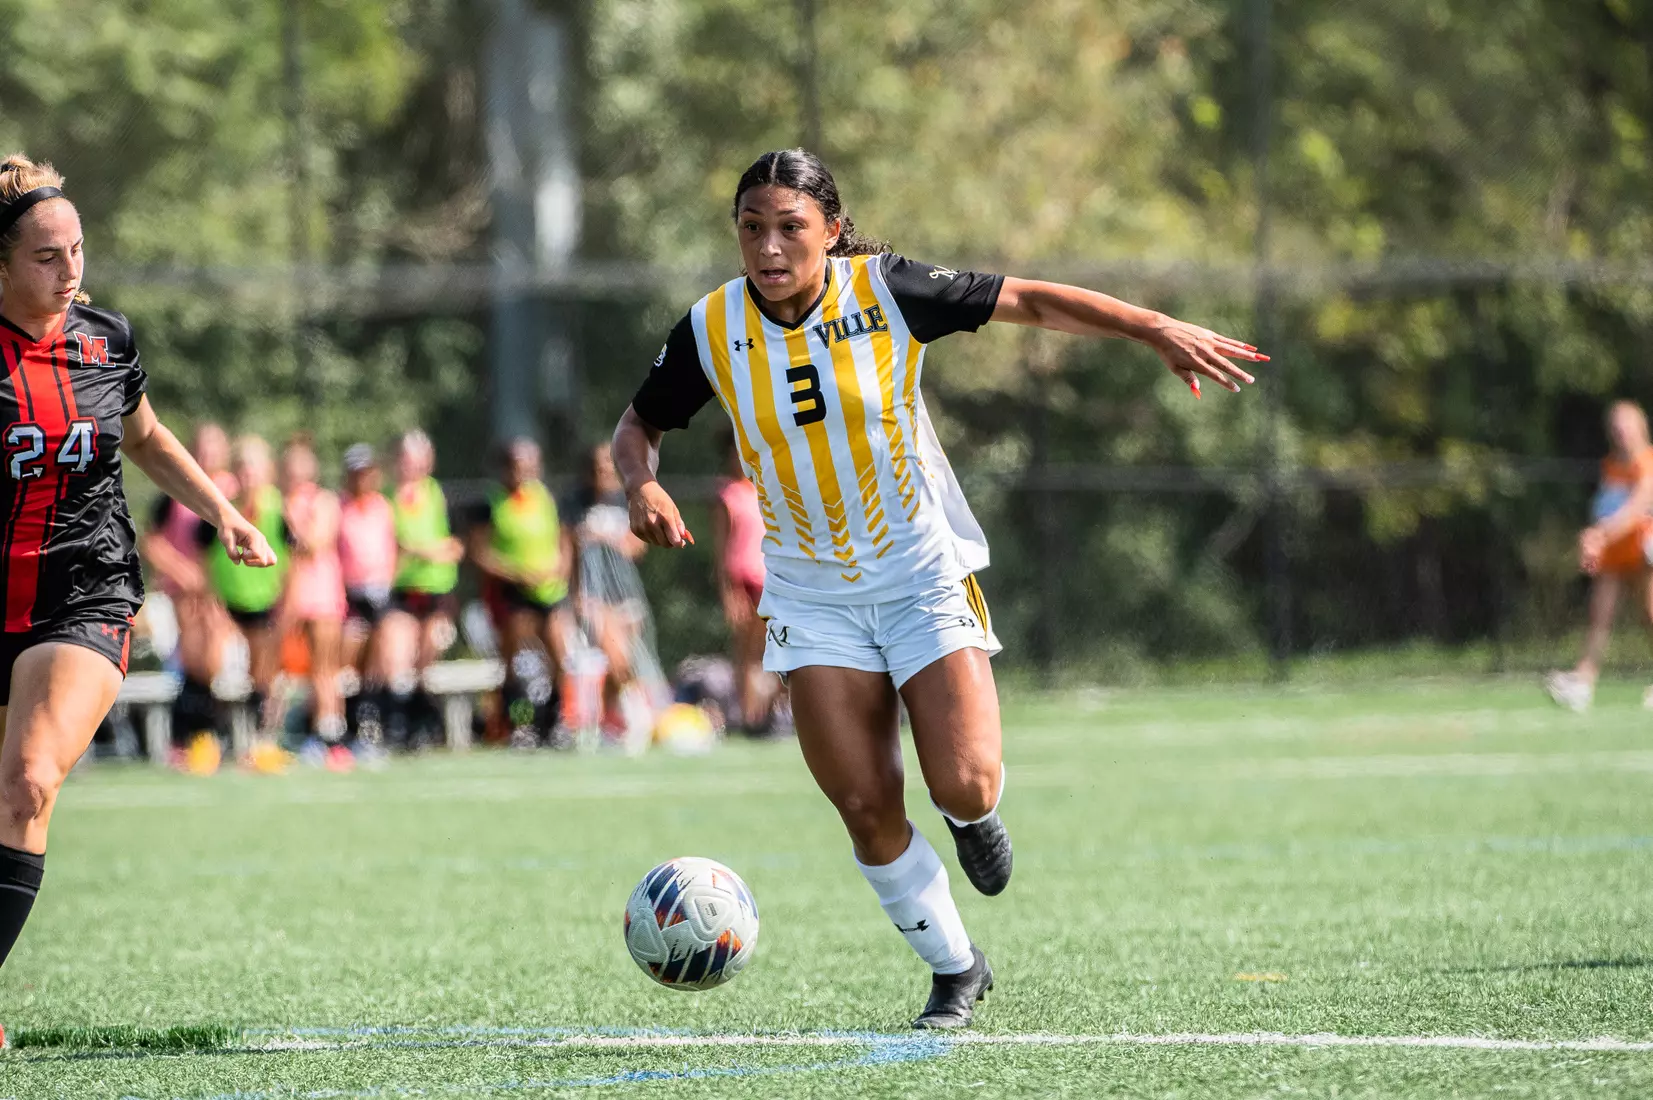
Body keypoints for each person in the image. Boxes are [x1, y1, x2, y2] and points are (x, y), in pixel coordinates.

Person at [612, 148, 1264, 1028]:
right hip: (811, 596)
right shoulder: (711, 325)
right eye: (751, 229)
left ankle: (971, 817)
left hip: (920, 575)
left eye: (788, 228)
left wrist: (1149, 326)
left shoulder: (887, 291)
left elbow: (1027, 298)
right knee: (863, 803)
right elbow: (639, 425)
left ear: (831, 232)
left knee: (960, 782)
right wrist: (640, 484)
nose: (767, 248)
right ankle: (956, 969)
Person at [0, 152, 276, 976]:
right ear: (3, 263)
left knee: (29, 782)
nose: (69, 269)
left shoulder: (107, 340)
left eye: (77, 249)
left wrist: (223, 512)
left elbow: (147, 439)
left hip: (85, 594)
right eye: (46, 256)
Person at [1546, 400, 1653, 710]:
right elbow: (1607, 506)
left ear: (1640, 427)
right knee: (1600, 615)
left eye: (1627, 426)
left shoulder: (1646, 463)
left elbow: (1636, 510)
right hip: (1615, 551)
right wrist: (1595, 538)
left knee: (1649, 615)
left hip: (1641, 549)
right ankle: (1584, 680)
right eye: (1616, 427)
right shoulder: (1611, 465)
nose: (1621, 433)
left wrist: (1599, 536)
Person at [468, 437, 574, 744]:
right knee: (516, 660)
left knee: (559, 655)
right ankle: (517, 722)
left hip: (550, 592)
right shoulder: (490, 503)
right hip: (512, 595)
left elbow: (564, 540)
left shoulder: (546, 498)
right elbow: (479, 552)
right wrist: (517, 574)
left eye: (529, 465)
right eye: (517, 465)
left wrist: (559, 569)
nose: (523, 472)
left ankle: (555, 721)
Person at [141, 423, 238, 743]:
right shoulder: (176, 490)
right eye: (201, 446)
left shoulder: (234, 491)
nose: (206, 453)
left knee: (210, 638)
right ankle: (197, 723)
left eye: (212, 446)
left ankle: (207, 720)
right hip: (181, 595)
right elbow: (151, 541)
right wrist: (182, 572)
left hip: (224, 595)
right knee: (191, 640)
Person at [564, 442, 659, 739]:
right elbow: (567, 552)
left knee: (628, 662)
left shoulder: (625, 500)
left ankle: (609, 724)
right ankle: (633, 720)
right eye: (596, 467)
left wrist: (609, 538)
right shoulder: (574, 504)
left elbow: (638, 547)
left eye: (607, 465)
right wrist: (576, 594)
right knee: (616, 658)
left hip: (625, 593)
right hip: (594, 595)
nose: (602, 472)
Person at [199, 435, 287, 740]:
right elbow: (204, 558)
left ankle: (264, 736)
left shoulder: (279, 509)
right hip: (228, 607)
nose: (247, 474)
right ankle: (216, 731)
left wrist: (286, 607)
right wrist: (212, 604)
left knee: (266, 671)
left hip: (266, 606)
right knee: (214, 661)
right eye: (242, 467)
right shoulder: (221, 509)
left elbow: (297, 562)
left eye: (253, 467)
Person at [383, 430, 462, 747]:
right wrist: (423, 550)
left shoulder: (437, 494)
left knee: (430, 647)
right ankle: (399, 721)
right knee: (397, 657)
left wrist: (420, 549)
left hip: (437, 592)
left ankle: (421, 720)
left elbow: (455, 546)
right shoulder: (387, 497)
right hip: (401, 592)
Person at [280, 434, 348, 756]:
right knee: (296, 672)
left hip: (322, 596)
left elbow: (316, 542)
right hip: (292, 598)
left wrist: (293, 521)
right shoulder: (283, 502)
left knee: (325, 669)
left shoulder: (323, 501)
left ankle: (331, 734)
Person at [710, 428, 782, 733]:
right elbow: (720, 547)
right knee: (748, 652)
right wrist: (728, 591)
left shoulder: (766, 490)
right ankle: (749, 716)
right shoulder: (727, 494)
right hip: (743, 580)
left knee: (775, 650)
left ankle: (769, 713)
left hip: (771, 578)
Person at [337, 443, 398, 744]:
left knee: (382, 656)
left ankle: (378, 721)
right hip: (350, 596)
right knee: (350, 657)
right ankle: (349, 721)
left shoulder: (383, 508)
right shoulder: (340, 508)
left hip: (380, 593)